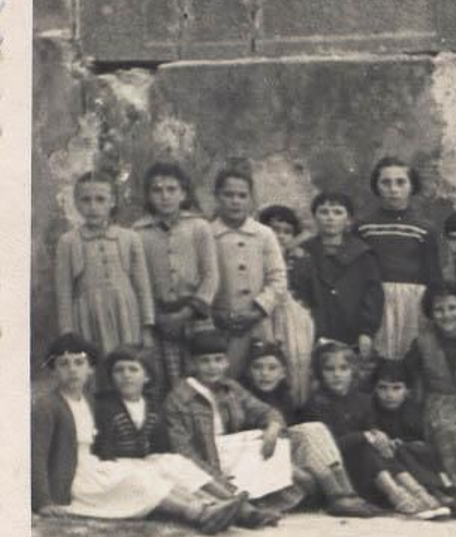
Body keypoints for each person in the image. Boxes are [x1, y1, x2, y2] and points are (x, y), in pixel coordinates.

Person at [33, 334, 245, 534]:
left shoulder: (88, 400)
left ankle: (211, 506)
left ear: (90, 369)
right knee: (136, 478)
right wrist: (44, 501)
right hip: (73, 478)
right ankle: (199, 514)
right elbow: (37, 455)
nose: (72, 370)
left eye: (79, 363)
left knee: (149, 473)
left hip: (94, 467)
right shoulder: (48, 406)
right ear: (52, 370)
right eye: (63, 364)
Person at [167, 332, 380, 517]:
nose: (212, 367)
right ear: (192, 364)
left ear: (226, 363)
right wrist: (218, 480)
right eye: (205, 361)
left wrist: (273, 427)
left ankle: (342, 494)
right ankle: (337, 496)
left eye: (218, 360)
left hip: (242, 450)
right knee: (282, 458)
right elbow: (184, 453)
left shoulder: (230, 388)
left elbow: (267, 411)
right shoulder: (179, 399)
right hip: (218, 461)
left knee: (313, 428)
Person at [92, 346, 279, 528]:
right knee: (153, 475)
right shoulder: (103, 405)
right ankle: (207, 510)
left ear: (147, 376)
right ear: (111, 377)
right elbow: (104, 448)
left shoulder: (151, 406)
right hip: (117, 464)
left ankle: (243, 509)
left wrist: (161, 462)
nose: (126, 375)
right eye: (119, 370)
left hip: (146, 460)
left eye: (133, 369)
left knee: (176, 464)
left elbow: (161, 446)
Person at [305, 342, 450, 519]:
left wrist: (380, 437)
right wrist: (364, 436)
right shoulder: (317, 404)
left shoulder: (362, 400)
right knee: (366, 447)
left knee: (382, 446)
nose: (337, 375)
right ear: (320, 373)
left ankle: (419, 493)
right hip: (344, 475)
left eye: (344, 368)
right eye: (330, 369)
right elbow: (328, 448)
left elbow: (371, 429)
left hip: (374, 472)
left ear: (353, 370)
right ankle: (397, 496)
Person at [55, 172, 155, 389]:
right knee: (97, 374)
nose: (93, 206)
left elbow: (142, 286)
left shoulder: (129, 238)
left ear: (112, 202)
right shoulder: (68, 242)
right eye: (85, 200)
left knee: (128, 368)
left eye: (100, 200)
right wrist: (67, 334)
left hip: (125, 314)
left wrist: (147, 326)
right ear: (76, 203)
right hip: (88, 315)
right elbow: (63, 291)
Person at [133, 162, 219, 398]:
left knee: (203, 377)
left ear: (184, 193)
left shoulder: (199, 227)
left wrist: (186, 313)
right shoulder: (139, 233)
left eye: (172, 189)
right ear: (149, 195)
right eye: (157, 190)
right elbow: (140, 282)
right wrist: (156, 319)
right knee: (167, 382)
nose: (165, 196)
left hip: (196, 316)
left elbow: (211, 275)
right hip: (161, 321)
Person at [402, 282, 456, 513]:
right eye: (439, 310)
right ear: (431, 313)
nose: (446, 315)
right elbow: (407, 372)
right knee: (446, 428)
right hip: (439, 400)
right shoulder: (423, 341)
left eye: (452, 308)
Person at [289, 191, 384, 380]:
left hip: (351, 330)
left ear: (348, 220)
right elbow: (297, 293)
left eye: (337, 212)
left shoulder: (362, 254)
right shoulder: (303, 252)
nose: (330, 218)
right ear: (315, 217)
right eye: (324, 212)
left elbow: (373, 293)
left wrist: (367, 331)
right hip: (314, 330)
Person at [358, 157, 442, 360]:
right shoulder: (363, 227)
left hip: (414, 303)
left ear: (412, 186)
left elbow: (433, 276)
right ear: (376, 187)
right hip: (375, 304)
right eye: (386, 183)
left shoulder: (424, 228)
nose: (393, 189)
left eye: (400, 182)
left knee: (412, 358)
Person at [209, 168, 290, 379]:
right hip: (220, 324)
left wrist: (258, 311)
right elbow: (199, 278)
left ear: (251, 199)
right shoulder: (207, 234)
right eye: (228, 195)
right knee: (224, 378)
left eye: (242, 196)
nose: (235, 201)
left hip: (258, 324)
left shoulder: (264, 234)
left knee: (258, 378)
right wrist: (215, 313)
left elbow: (278, 279)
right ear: (217, 196)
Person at [369, 360, 456, 515]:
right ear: (374, 389)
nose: (389, 395)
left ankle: (441, 491)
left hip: (413, 459)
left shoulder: (412, 411)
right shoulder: (370, 410)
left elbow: (422, 441)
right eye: (383, 388)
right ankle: (436, 493)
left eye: (397, 388)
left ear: (408, 390)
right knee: (398, 451)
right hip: (392, 469)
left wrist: (405, 444)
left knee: (421, 450)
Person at [257, 205, 317, 408]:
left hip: (295, 320)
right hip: (265, 316)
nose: (280, 236)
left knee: (295, 364)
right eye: (274, 229)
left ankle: (296, 408)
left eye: (287, 232)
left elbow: (312, 294)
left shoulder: (302, 260)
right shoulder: (257, 257)